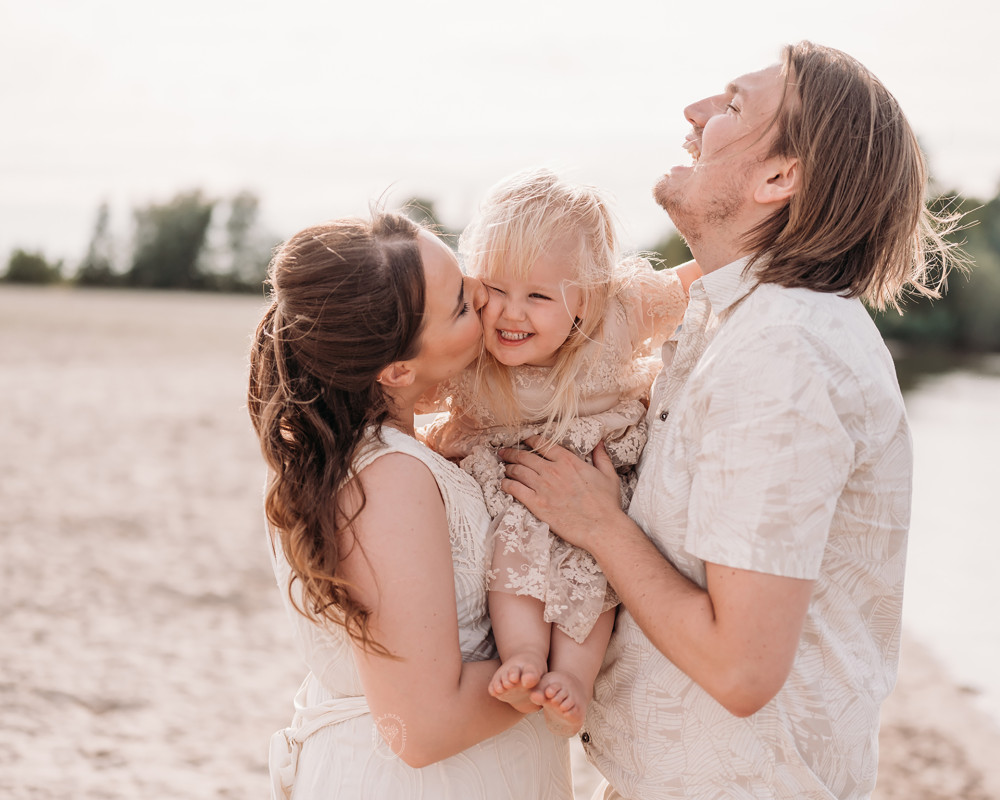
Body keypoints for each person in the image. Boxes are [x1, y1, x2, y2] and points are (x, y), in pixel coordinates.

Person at [500, 41, 960, 799]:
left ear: (780, 176)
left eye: (733, 105)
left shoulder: (784, 350)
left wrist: (599, 524)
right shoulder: (743, 324)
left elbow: (741, 668)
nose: (695, 113)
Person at [247, 212, 573, 798]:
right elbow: (424, 726)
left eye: (465, 276)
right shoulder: (390, 478)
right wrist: (572, 667)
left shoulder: (387, 456)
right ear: (397, 370)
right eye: (458, 305)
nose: (481, 293)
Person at [422, 169, 699, 737]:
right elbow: (411, 375)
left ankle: (573, 675)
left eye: (539, 296)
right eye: (495, 289)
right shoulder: (472, 344)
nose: (511, 313)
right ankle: (522, 655)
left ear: (586, 299)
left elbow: (702, 277)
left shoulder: (618, 317)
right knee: (511, 537)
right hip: (511, 481)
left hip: (599, 480)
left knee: (595, 564)